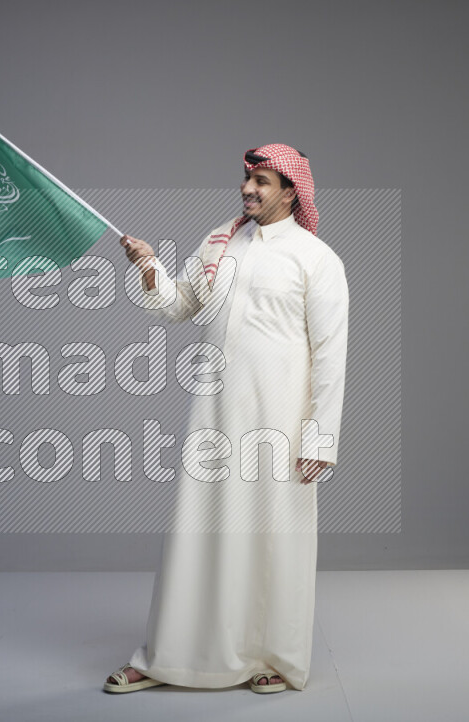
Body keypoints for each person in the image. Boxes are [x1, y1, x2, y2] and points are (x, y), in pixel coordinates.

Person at [105, 144, 349, 695]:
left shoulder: (316, 258)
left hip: (280, 419)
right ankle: (168, 655)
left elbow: (332, 354)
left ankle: (272, 657)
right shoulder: (222, 241)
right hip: (213, 411)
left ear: (292, 191)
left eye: (262, 182)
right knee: (197, 529)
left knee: (273, 534)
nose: (248, 190)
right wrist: (148, 269)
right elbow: (178, 304)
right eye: (247, 180)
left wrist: (321, 437)